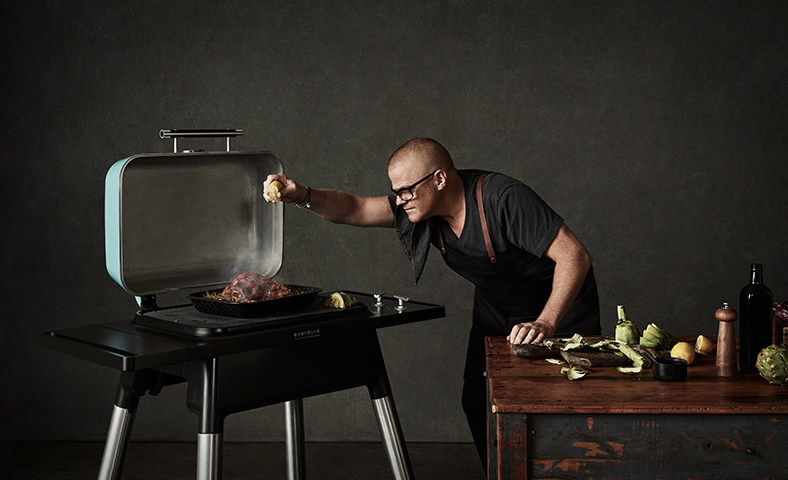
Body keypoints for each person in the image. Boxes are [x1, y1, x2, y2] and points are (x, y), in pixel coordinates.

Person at [263, 137, 601, 468]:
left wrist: (545, 322)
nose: (400, 201)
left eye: (406, 191)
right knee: (478, 401)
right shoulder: (422, 210)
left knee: (560, 408)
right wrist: (302, 195)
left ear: (439, 179)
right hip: (497, 312)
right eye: (396, 192)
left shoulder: (502, 199)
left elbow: (575, 256)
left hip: (560, 311)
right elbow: (355, 208)